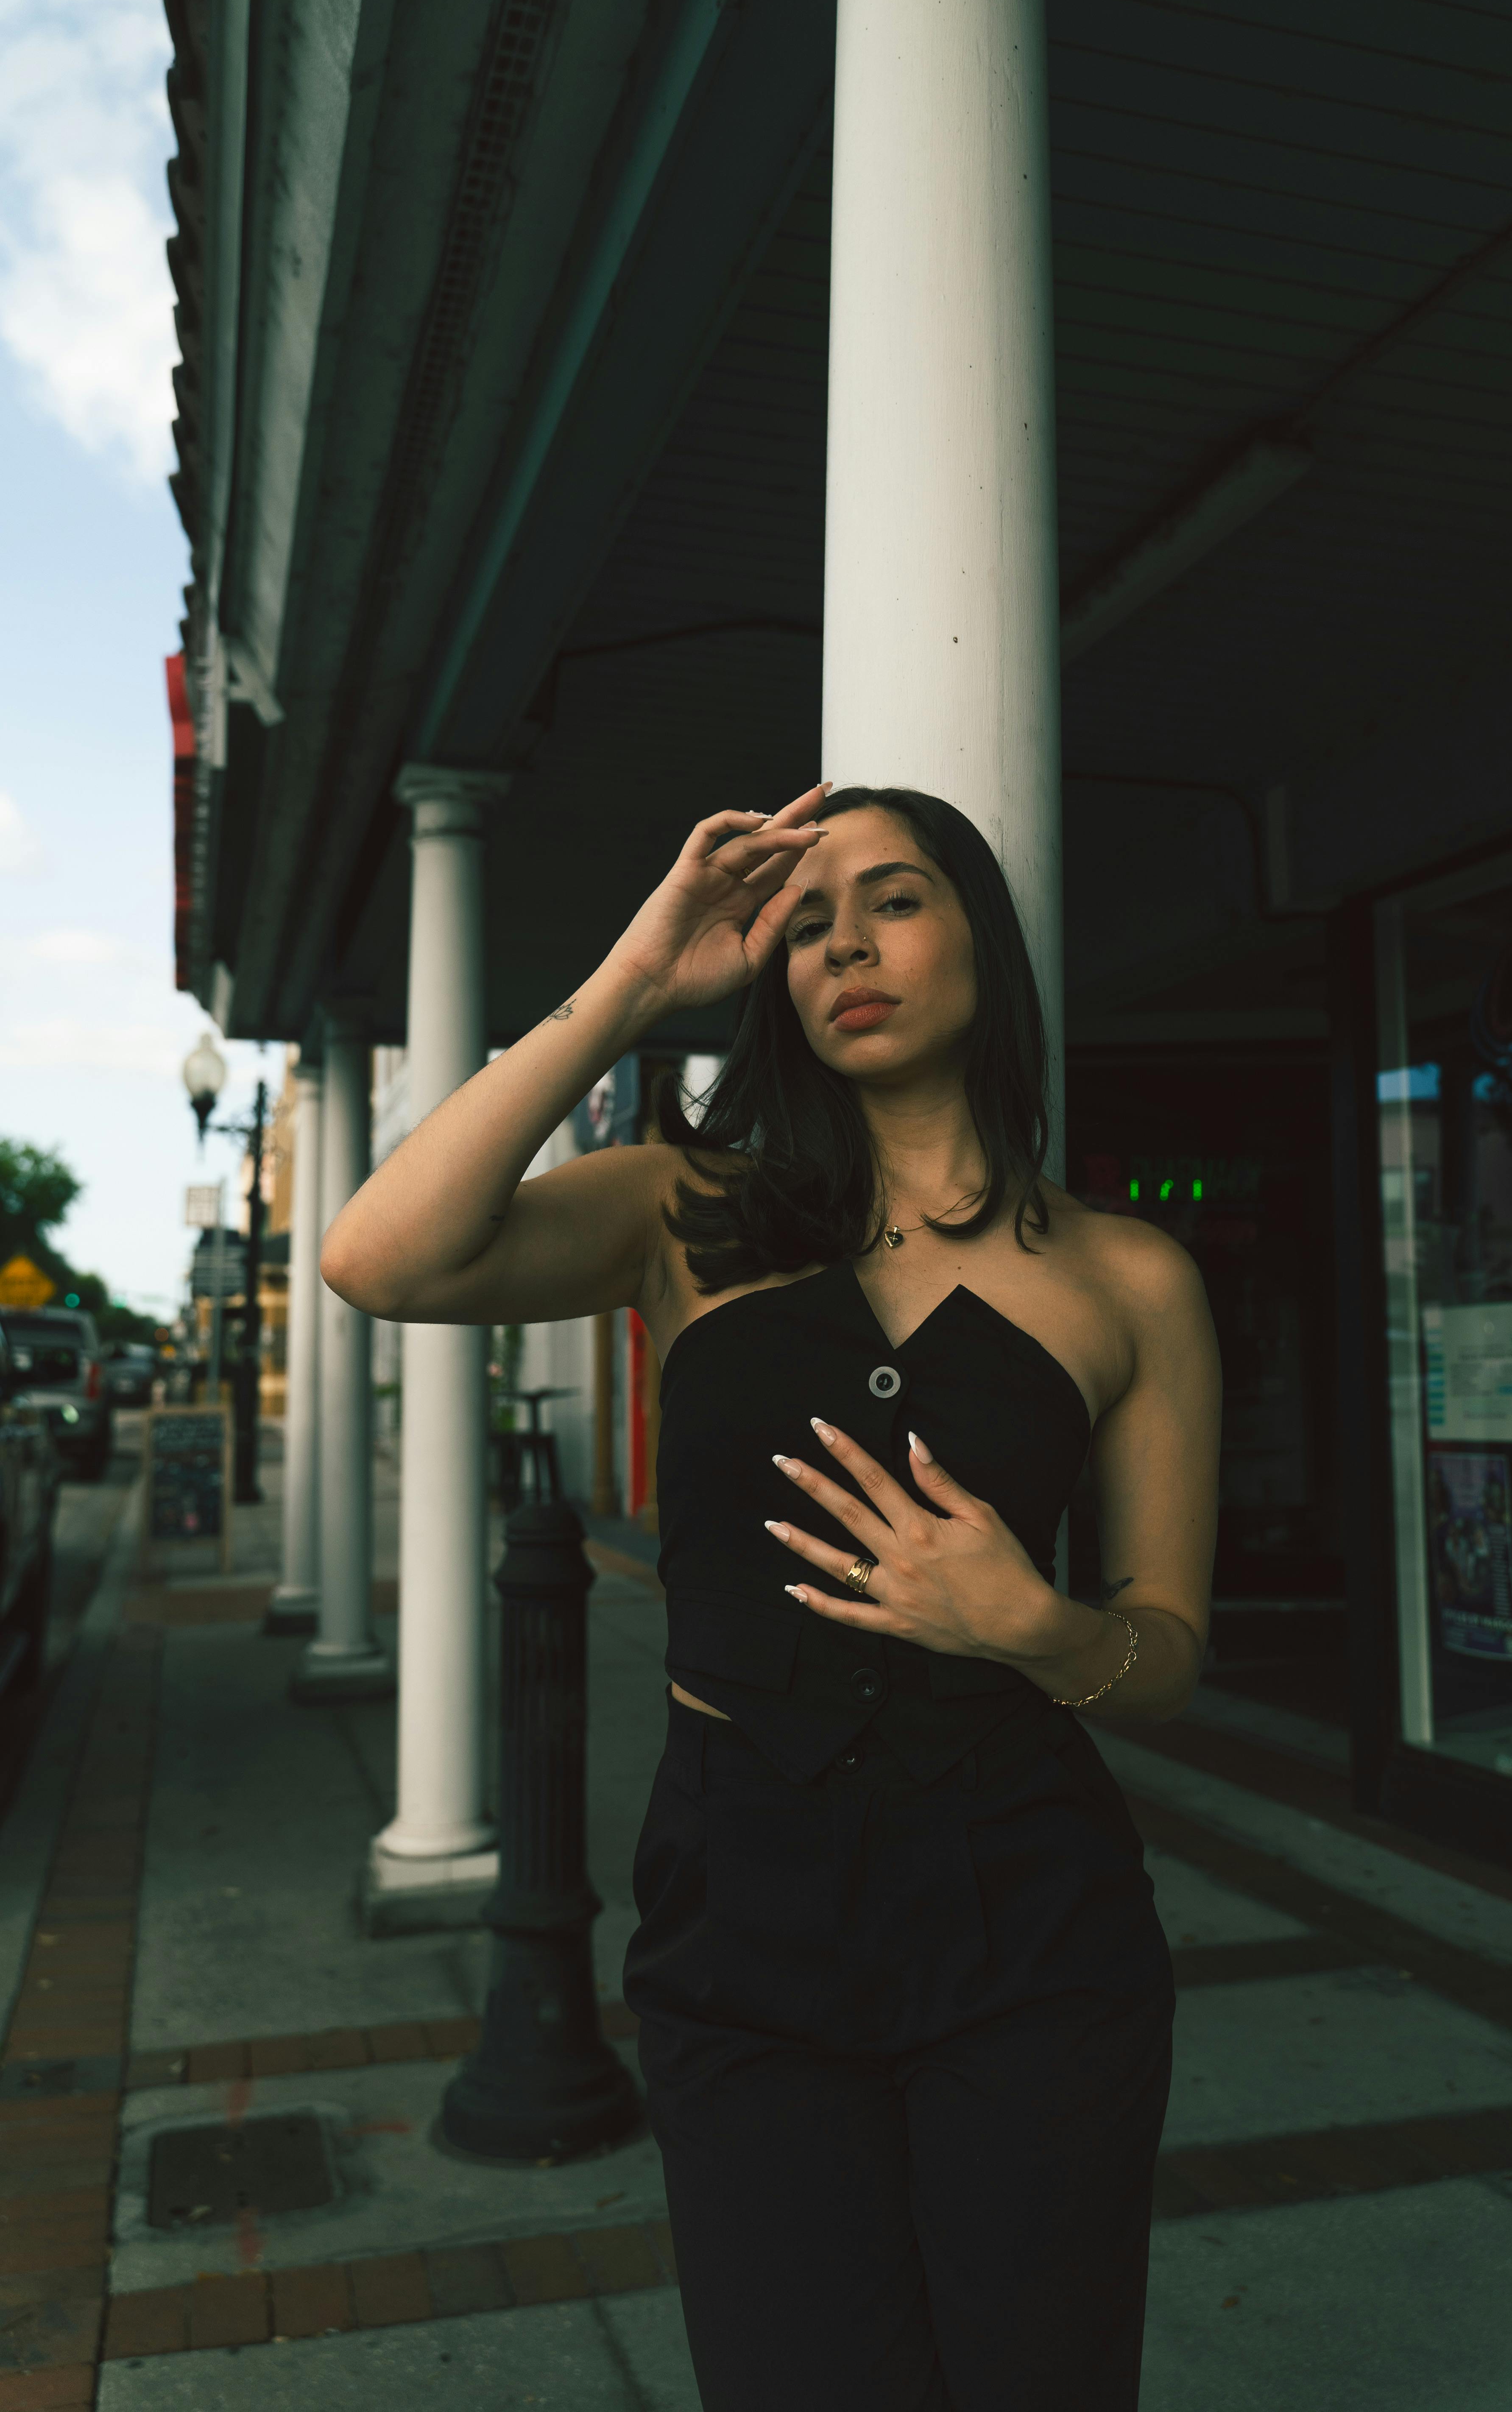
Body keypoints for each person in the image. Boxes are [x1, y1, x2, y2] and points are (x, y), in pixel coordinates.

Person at [321, 781, 1219, 2411]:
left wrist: (1042, 1627)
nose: (843, 949)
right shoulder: (688, 1212)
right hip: (745, 1895)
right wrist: (639, 982)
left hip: (1030, 1905)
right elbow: (382, 1258)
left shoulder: (1125, 1278)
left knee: (1041, 2377)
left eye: (893, 899)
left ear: (979, 942)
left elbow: (1168, 1655)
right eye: (803, 924)